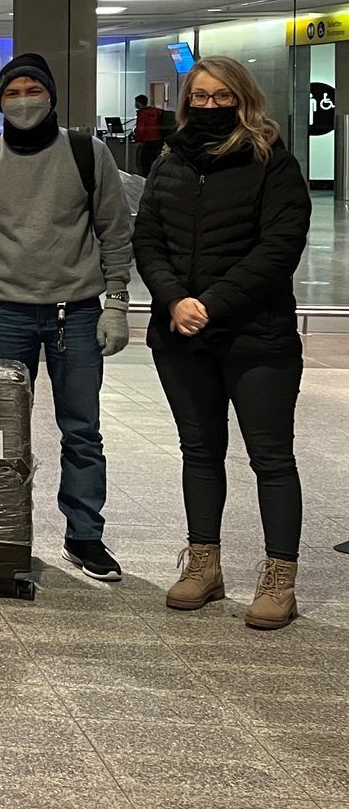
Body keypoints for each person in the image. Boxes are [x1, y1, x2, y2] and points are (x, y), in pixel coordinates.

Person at [135, 56, 310, 631]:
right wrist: (173, 301)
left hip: (257, 338)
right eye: (200, 98)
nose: (209, 106)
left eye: (221, 96)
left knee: (271, 457)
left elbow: (278, 249)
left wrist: (211, 303)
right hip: (181, 335)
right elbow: (149, 241)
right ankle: (204, 565)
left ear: (244, 98)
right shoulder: (169, 162)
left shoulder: (272, 164)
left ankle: (279, 576)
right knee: (199, 451)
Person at [0, 51, 132, 582]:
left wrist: (116, 304)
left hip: (75, 312)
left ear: (51, 95)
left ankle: (85, 535)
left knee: (81, 428)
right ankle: (3, 529)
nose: (23, 101)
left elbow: (114, 231)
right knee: (2, 431)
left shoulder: (86, 153)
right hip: (6, 312)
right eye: (12, 92)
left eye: (33, 90)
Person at [134, 93, 165, 176]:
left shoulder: (142, 114)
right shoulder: (156, 111)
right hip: (158, 140)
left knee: (144, 164)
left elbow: (141, 128)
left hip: (147, 142)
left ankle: (146, 181)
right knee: (155, 162)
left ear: (139, 103)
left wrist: (137, 140)